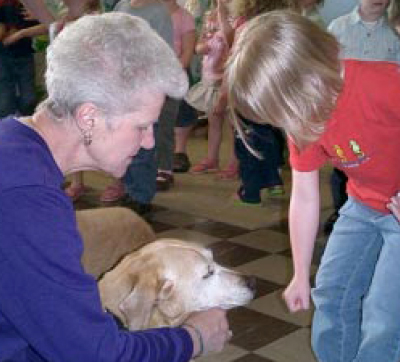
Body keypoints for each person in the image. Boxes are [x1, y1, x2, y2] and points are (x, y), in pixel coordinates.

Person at [0, 12, 231, 361]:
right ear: (89, 117)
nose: (150, 142)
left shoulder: (13, 144)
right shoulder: (27, 199)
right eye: (142, 126)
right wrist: (193, 338)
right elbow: (95, 355)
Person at [226, 10, 400, 362]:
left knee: (383, 316)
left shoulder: (383, 84)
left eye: (287, 115)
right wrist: (300, 275)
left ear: (310, 79)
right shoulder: (302, 114)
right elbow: (304, 196)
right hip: (363, 205)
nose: (292, 128)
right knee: (331, 294)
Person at [323, 0, 400, 234]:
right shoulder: (339, 27)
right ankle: (341, 210)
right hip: (347, 113)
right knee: (345, 169)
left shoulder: (391, 29)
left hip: (383, 114)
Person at [0, 0, 43, 118]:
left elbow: (46, 24)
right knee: (5, 100)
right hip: (3, 57)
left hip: (24, 55)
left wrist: (19, 33)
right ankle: (8, 127)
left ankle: (26, 124)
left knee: (28, 98)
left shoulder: (26, 5)